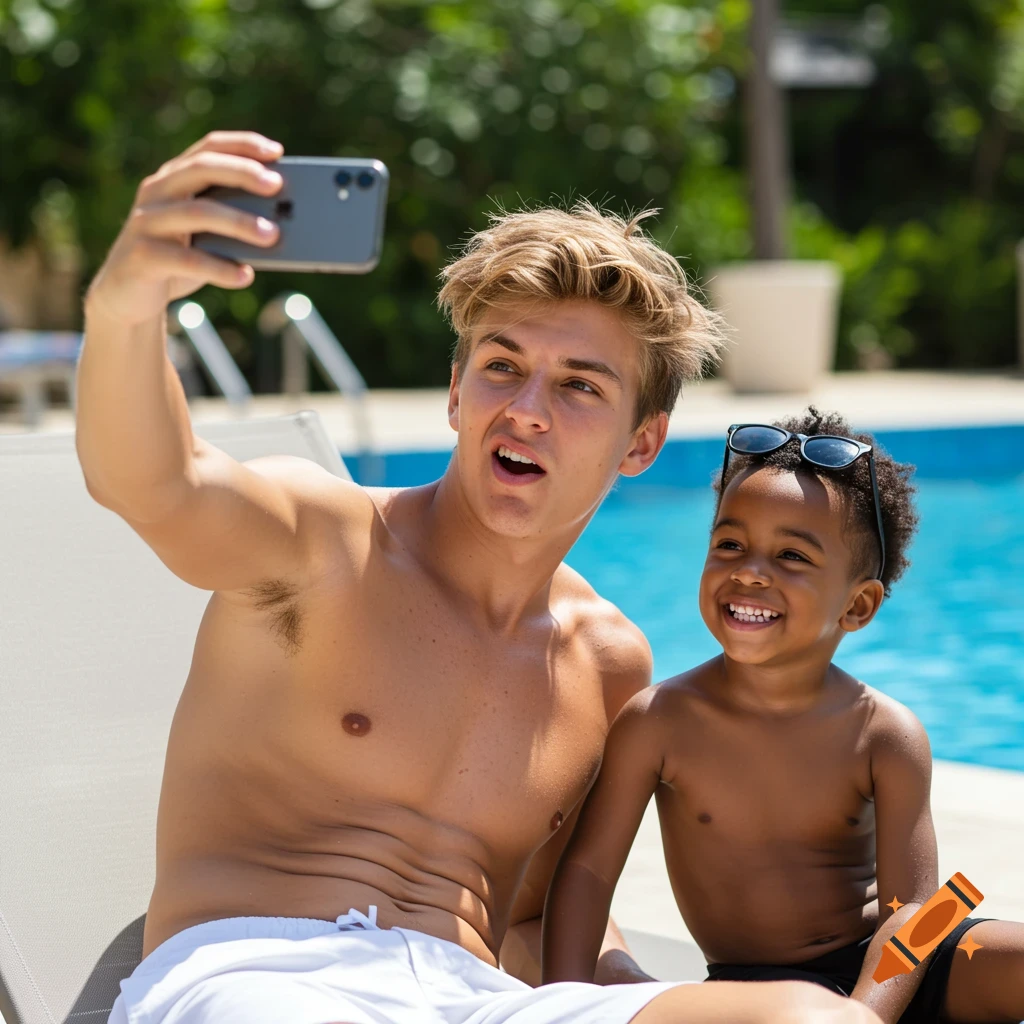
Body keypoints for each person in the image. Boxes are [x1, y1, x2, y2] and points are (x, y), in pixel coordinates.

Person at [78, 131, 875, 1024]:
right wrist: (124, 307)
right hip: (259, 976)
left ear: (641, 443)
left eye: (579, 386)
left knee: (816, 1021)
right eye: (502, 367)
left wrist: (650, 999)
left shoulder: (608, 662)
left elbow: (538, 917)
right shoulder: (321, 542)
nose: (526, 411)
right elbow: (152, 480)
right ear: (457, 393)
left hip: (472, 1000)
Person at [543, 408, 1024, 1023]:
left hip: (895, 970)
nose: (749, 569)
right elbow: (585, 874)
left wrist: (867, 1013)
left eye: (792, 556)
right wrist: (559, 1002)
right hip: (753, 986)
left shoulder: (885, 733)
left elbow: (915, 913)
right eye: (730, 544)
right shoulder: (659, 721)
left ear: (857, 605)